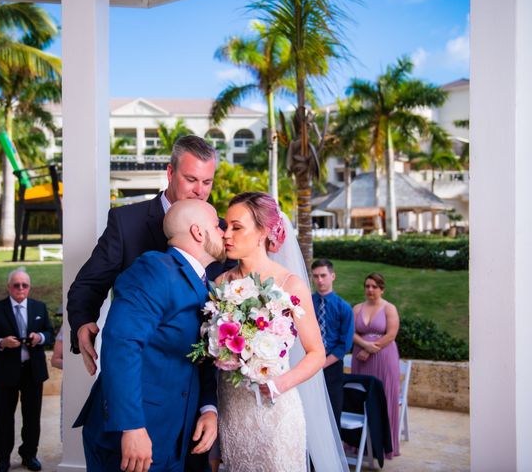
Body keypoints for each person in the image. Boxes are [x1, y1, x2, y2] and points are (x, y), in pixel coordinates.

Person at [74, 199, 223, 472]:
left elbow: (200, 357)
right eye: (217, 225)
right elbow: (122, 344)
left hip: (171, 435)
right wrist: (131, 426)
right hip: (133, 435)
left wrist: (208, 409)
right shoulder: (155, 269)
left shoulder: (207, 286)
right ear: (198, 233)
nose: (223, 232)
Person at [67, 135, 227, 377]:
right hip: (139, 366)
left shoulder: (220, 230)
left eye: (207, 182)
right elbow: (89, 283)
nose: (199, 191)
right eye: (191, 179)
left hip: (200, 370)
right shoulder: (126, 222)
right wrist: (82, 321)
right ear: (170, 173)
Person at [216, 192, 347, 471]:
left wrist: (280, 384)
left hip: (276, 410)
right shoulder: (220, 283)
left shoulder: (291, 285)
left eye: (236, 227)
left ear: (263, 232)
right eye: (225, 226)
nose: (227, 234)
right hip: (232, 409)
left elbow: (316, 353)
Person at [0, 268, 54, 472]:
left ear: (29, 287)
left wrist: (40, 338)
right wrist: (2, 343)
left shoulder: (39, 307)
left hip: (33, 371)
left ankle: (29, 454)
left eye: (24, 285)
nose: (20, 288)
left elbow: (49, 332)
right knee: (3, 417)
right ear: (9, 287)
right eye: (16, 285)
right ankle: (2, 459)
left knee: (32, 417)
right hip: (4, 372)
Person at [351, 272, 401, 459]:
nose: (370, 290)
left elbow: (391, 334)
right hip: (361, 358)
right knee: (361, 398)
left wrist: (371, 349)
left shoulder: (389, 308)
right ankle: (360, 443)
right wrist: (364, 346)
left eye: (374, 286)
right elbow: (352, 332)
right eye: (367, 286)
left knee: (385, 397)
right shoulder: (357, 308)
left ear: (382, 289)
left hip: (384, 357)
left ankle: (384, 445)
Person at [311, 258, 354, 428]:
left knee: (332, 413)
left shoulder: (344, 307)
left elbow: (345, 344)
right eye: (316, 276)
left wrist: (321, 363)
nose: (319, 280)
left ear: (333, 276)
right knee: (310, 411)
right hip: (308, 365)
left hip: (332, 366)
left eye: (323, 275)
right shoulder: (307, 303)